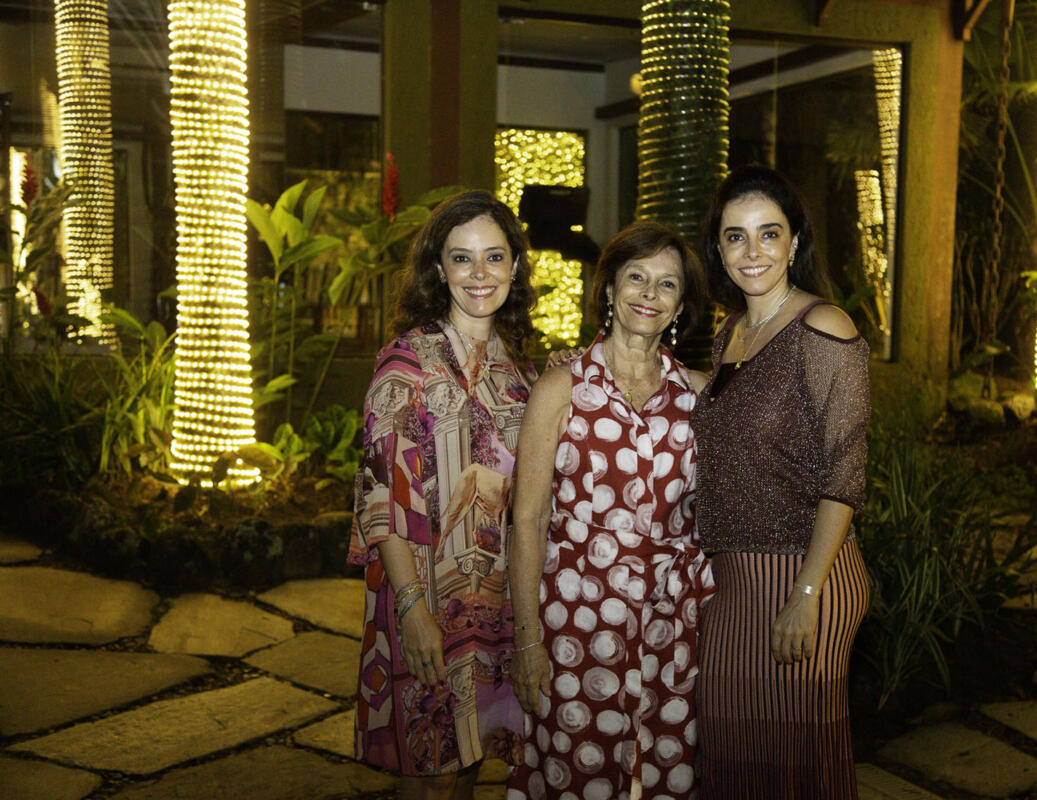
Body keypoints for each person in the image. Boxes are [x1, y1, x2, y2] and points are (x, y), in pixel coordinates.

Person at [506, 221, 714, 800]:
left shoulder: (698, 395)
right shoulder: (561, 387)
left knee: (666, 772)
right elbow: (527, 520)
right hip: (575, 622)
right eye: (637, 277)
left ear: (680, 306)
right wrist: (526, 641)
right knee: (575, 770)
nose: (650, 294)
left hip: (673, 629)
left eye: (667, 284)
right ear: (609, 289)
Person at [348, 190, 538, 800]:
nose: (480, 274)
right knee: (429, 771)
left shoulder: (522, 369)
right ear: (438, 268)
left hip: (498, 599)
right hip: (426, 594)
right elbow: (381, 494)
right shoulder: (407, 363)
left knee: (469, 767)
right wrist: (411, 609)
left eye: (494, 257)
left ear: (514, 265)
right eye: (462, 258)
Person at [691, 165, 872, 799]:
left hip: (804, 573)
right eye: (735, 237)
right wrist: (602, 365)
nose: (753, 251)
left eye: (769, 233)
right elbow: (727, 404)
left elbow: (845, 472)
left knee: (796, 768)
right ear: (719, 250)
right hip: (733, 584)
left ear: (795, 242)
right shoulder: (731, 334)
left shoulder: (825, 328)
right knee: (731, 761)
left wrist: (807, 592)